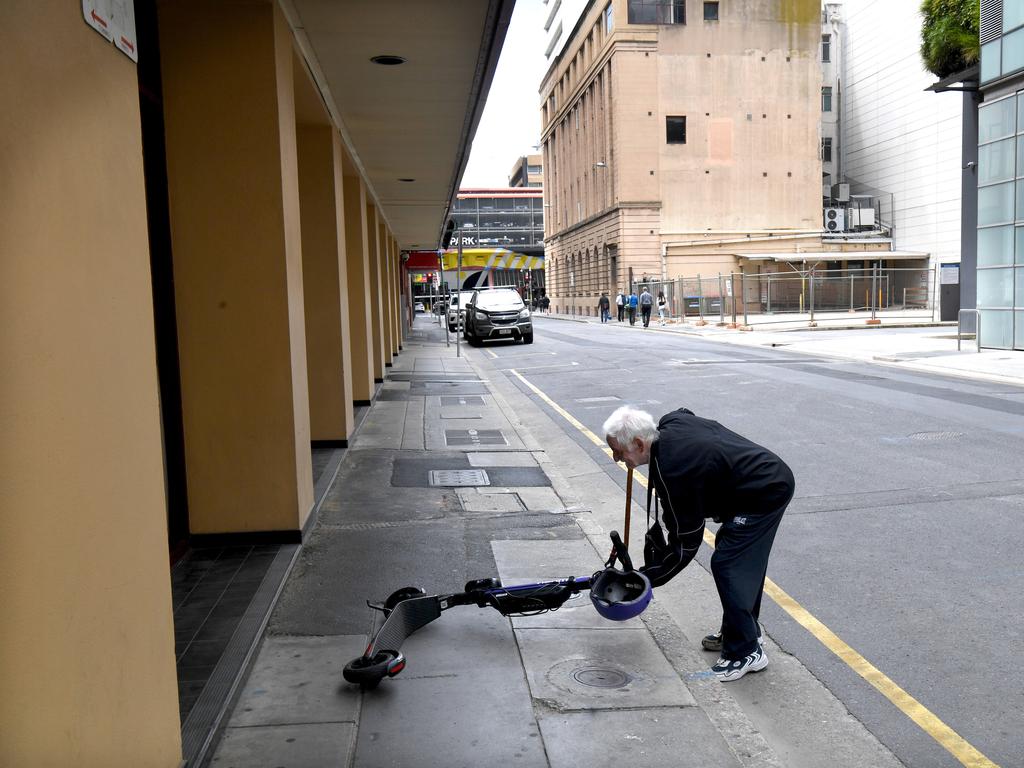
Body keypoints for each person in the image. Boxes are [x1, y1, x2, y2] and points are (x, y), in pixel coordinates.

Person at [602, 405, 795, 682]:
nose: (616, 458)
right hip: (756, 483)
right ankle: (742, 630)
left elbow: (686, 543)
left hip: (766, 491)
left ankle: (746, 653)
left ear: (639, 443)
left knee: (729, 563)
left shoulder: (675, 468)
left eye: (619, 451)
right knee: (739, 558)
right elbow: (683, 412)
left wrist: (642, 580)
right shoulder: (668, 426)